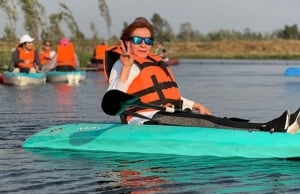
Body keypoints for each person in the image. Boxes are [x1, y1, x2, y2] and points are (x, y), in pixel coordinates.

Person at [104, 17, 300, 134]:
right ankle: (272, 128)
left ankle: (272, 127)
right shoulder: (122, 65)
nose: (144, 44)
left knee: (216, 119)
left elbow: (165, 96)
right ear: (125, 42)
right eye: (138, 39)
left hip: (163, 115)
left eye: (148, 40)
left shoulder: (153, 62)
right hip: (144, 121)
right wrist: (127, 67)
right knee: (206, 123)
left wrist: (195, 105)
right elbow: (112, 101)